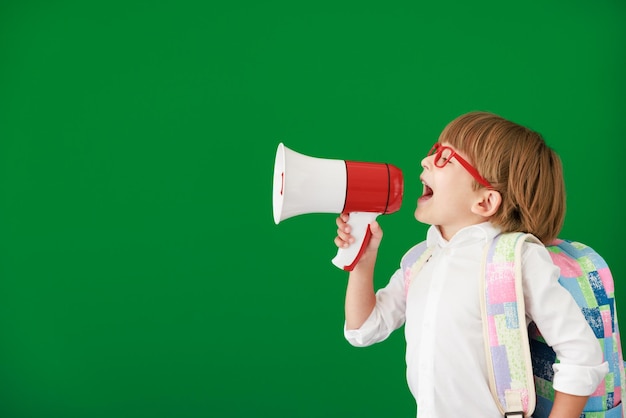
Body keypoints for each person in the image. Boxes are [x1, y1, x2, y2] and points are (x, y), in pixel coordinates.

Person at [335, 111, 609, 418]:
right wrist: (363, 261)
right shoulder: (421, 259)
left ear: (485, 202)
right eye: (434, 151)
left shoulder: (518, 259)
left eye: (445, 158)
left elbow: (582, 355)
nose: (426, 161)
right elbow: (363, 330)